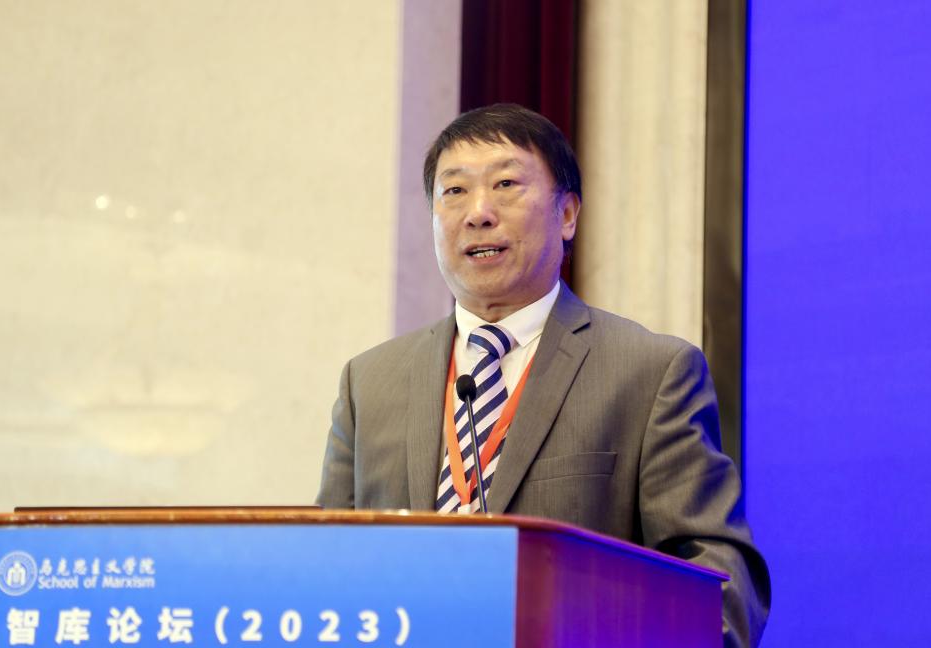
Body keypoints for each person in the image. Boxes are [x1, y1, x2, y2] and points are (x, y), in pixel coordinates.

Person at [316, 103, 770, 647]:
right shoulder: (369, 382)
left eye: (505, 184)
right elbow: (324, 565)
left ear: (568, 214)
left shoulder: (650, 374)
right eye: (454, 191)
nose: (478, 212)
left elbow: (718, 578)